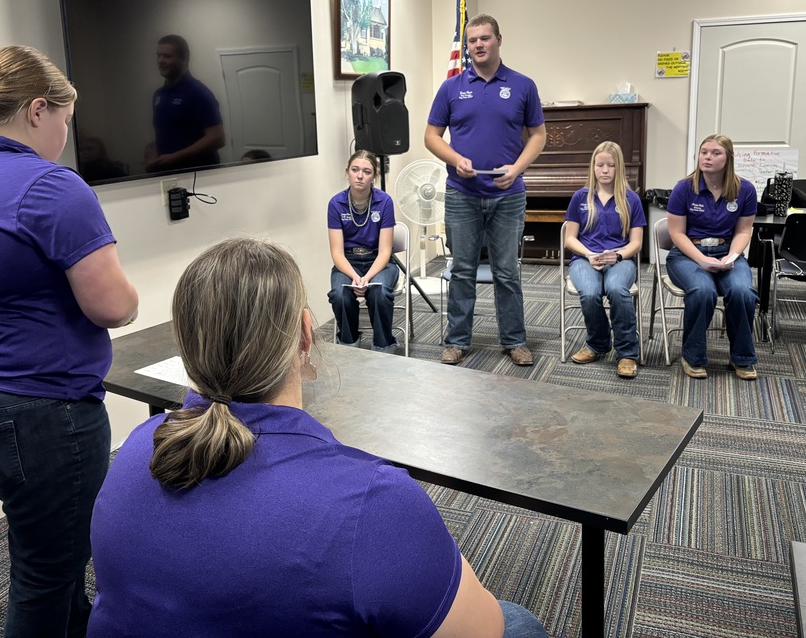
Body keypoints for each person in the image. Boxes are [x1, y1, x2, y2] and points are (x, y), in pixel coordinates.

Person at [87, 238, 548, 638]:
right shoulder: (374, 501)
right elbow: (485, 629)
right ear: (307, 336)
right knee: (518, 620)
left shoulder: (136, 448)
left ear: (187, 345)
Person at [0, 46, 139, 638]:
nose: (67, 133)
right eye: (65, 118)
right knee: (45, 573)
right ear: (38, 110)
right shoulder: (51, 187)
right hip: (35, 416)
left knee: (48, 545)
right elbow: (116, 306)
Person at [425, 14, 547, 366]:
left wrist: (517, 168)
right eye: (472, 40)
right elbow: (431, 136)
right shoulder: (451, 88)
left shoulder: (523, 86)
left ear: (498, 40)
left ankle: (515, 340)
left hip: (508, 196)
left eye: (484, 39)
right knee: (462, 269)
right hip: (462, 194)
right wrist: (455, 157)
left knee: (507, 271)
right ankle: (457, 341)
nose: (477, 45)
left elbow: (538, 135)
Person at [666, 133, 758, 380]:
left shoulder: (745, 189)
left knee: (742, 292)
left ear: (728, 158)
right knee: (703, 290)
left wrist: (732, 256)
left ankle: (742, 358)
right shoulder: (684, 188)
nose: (707, 157)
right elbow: (676, 232)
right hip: (686, 255)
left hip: (727, 252)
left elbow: (744, 230)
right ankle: (693, 357)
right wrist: (701, 260)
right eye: (704, 152)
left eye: (716, 153)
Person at [563, 141, 646, 378]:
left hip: (620, 259)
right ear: (593, 167)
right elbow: (570, 238)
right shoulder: (581, 197)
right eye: (600, 165)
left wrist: (618, 255)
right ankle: (597, 344)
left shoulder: (631, 199)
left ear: (619, 168)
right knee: (589, 293)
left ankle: (627, 353)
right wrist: (589, 255)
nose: (605, 170)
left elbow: (637, 243)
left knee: (617, 289)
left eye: (611, 165)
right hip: (585, 259)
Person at [327, 150, 400, 352]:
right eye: (355, 170)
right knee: (339, 294)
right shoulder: (336, 203)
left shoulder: (384, 201)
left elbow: (385, 251)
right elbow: (337, 253)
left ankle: (383, 345)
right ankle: (349, 344)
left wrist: (366, 277)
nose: (360, 176)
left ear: (374, 176)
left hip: (379, 262)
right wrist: (354, 277)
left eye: (367, 171)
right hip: (348, 262)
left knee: (380, 291)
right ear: (347, 172)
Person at [147, 34, 225, 172]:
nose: (160, 60)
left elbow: (217, 138)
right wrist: (154, 155)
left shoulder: (198, 92)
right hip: (169, 174)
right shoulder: (159, 95)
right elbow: (168, 134)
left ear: (184, 58)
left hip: (199, 175)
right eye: (158, 56)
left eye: (167, 56)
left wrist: (175, 157)